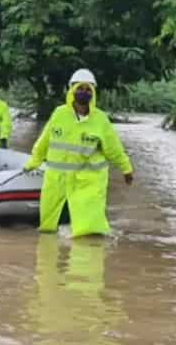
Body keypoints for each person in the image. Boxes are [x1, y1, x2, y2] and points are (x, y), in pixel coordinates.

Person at [23, 68, 135, 238]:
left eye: (88, 89)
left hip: (87, 183)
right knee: (51, 230)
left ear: (93, 93)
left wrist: (126, 168)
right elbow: (43, 142)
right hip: (58, 181)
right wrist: (32, 163)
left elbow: (113, 148)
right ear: (72, 90)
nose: (84, 93)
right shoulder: (59, 115)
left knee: (87, 231)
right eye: (80, 89)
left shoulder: (100, 120)